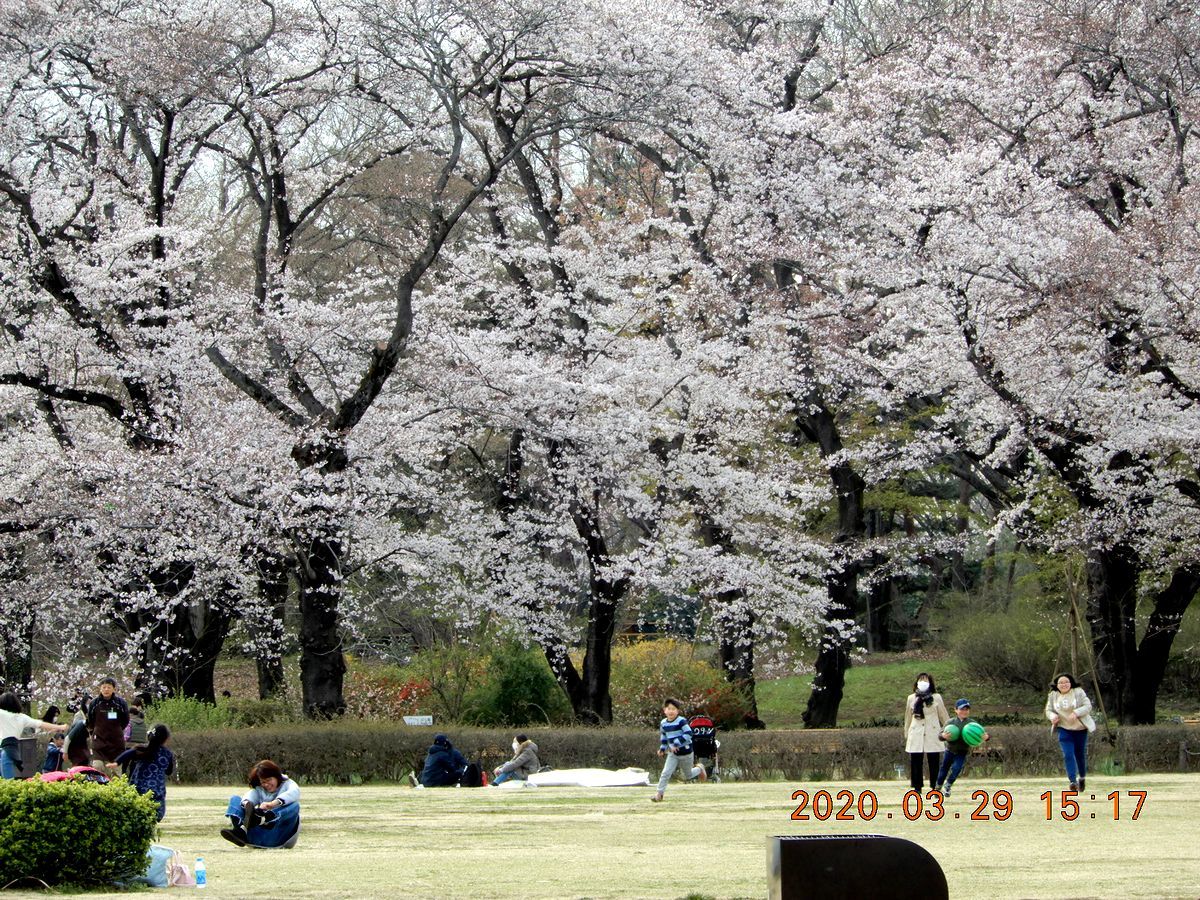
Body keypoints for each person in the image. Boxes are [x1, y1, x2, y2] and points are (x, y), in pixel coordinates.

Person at [221, 759, 300, 848]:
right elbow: (250, 795)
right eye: (263, 782)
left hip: (277, 838)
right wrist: (247, 804)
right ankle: (240, 832)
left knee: (295, 806)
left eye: (269, 780)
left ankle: (265, 818)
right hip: (255, 838)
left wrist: (272, 804)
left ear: (277, 776)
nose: (266, 784)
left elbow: (294, 792)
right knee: (235, 799)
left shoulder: (288, 784)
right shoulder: (259, 789)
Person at [1045, 672, 1095, 791]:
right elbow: (1048, 710)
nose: (1064, 684)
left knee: (1079, 755)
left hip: (1080, 728)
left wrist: (1076, 712)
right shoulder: (1053, 695)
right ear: (1056, 685)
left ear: (1071, 683)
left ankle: (1082, 778)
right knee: (1068, 754)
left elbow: (1088, 706)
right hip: (1064, 729)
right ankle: (1073, 781)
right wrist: (1053, 717)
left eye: (1066, 682)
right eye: (1061, 683)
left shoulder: (1078, 692)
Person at [651, 698, 707, 803]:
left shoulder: (681, 721)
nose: (671, 711)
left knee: (688, 775)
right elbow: (664, 737)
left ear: (677, 711)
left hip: (686, 752)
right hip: (673, 753)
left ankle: (699, 768)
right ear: (664, 710)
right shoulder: (663, 723)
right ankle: (659, 794)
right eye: (669, 709)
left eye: (673, 709)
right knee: (665, 773)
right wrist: (662, 749)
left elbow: (689, 733)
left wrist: (677, 743)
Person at [0, 692, 67, 779]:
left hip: (6, 750)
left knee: (7, 781)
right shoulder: (22, 717)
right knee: (11, 779)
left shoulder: (2, 714)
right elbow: (40, 724)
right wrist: (59, 726)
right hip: (16, 750)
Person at [116, 724, 175, 821]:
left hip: (137, 791)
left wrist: (117, 762)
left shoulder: (143, 749)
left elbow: (128, 754)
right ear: (166, 739)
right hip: (156, 793)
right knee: (154, 815)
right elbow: (169, 771)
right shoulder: (167, 754)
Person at [933, 699, 988, 798]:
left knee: (956, 769)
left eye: (966, 709)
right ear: (956, 710)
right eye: (962, 709)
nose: (964, 711)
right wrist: (943, 736)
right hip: (949, 750)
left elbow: (983, 734)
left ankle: (948, 785)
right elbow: (940, 735)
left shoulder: (972, 724)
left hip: (962, 751)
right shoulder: (950, 722)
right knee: (943, 770)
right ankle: (938, 788)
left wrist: (986, 737)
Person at [903, 672, 948, 792]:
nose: (923, 682)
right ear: (917, 682)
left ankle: (935, 786)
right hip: (916, 732)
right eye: (921, 680)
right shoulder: (911, 698)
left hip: (932, 732)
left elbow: (943, 715)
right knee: (916, 761)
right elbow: (908, 716)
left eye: (926, 680)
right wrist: (906, 731)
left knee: (934, 761)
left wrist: (948, 729)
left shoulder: (936, 697)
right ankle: (917, 787)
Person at [86, 678, 130, 770]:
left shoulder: (121, 703)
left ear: (114, 689)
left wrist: (117, 730)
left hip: (116, 742)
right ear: (100, 689)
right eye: (104, 687)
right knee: (97, 767)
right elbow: (90, 720)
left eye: (109, 687)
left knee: (115, 772)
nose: (106, 690)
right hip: (99, 741)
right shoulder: (94, 703)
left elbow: (125, 720)